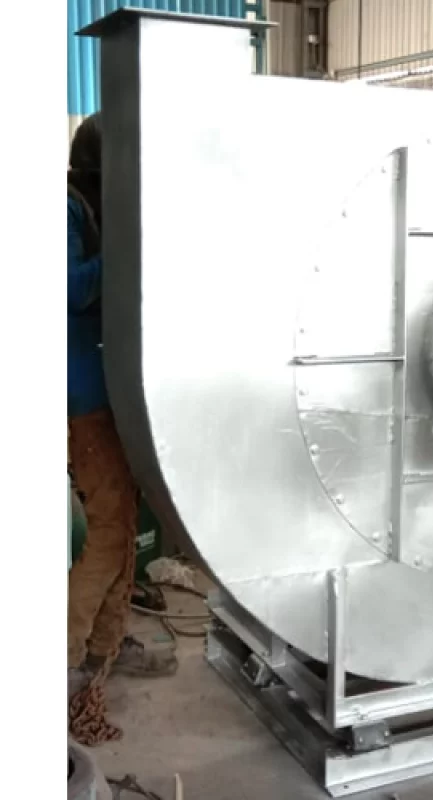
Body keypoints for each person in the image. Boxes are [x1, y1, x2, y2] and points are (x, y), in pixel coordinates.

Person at [68, 113, 177, 705]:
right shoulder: (63, 211)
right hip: (81, 397)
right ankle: (64, 658)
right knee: (110, 534)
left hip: (108, 391)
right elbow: (67, 288)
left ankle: (105, 648)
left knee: (123, 525)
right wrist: (126, 249)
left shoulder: (91, 211)